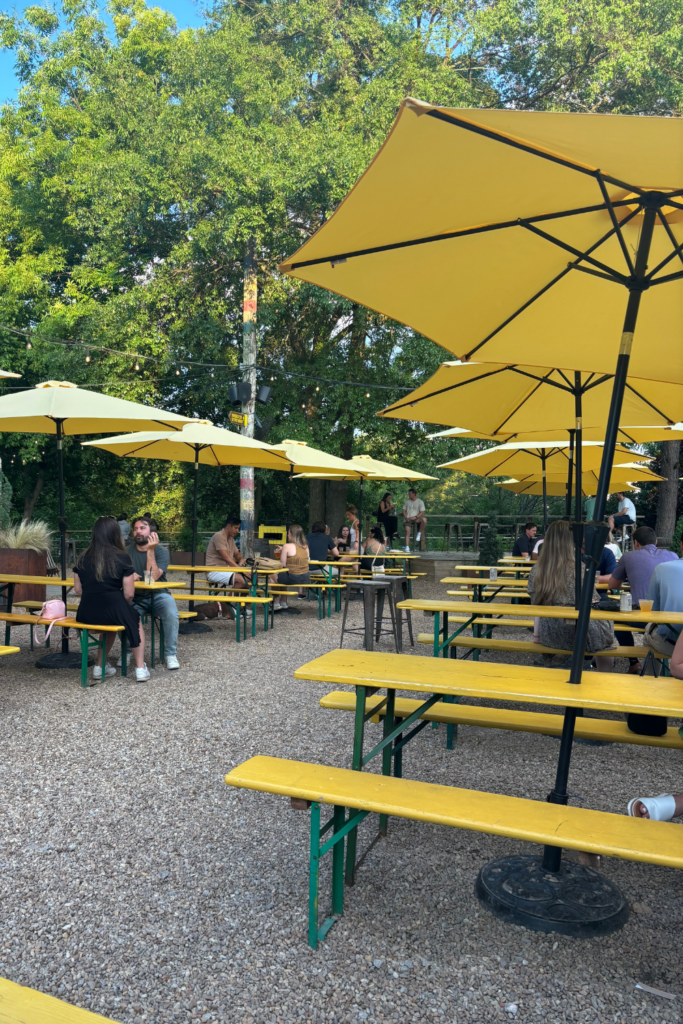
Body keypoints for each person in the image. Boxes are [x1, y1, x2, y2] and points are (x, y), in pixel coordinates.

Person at [527, 520, 616, 669]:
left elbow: (535, 602)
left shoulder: (536, 570)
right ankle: (605, 675)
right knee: (607, 632)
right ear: (570, 541)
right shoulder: (578, 569)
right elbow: (593, 601)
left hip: (549, 632)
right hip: (577, 633)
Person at [73, 516, 149, 682]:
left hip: (86, 612)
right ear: (115, 534)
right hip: (112, 608)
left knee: (110, 622)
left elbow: (78, 589)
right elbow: (129, 594)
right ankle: (140, 668)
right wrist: (119, 607)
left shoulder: (82, 558)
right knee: (134, 619)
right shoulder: (122, 557)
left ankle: (99, 668)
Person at [602, 526, 676, 673]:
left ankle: (633, 662)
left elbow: (613, 584)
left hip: (642, 617)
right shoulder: (673, 556)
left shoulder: (629, 556)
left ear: (635, 543)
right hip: (670, 617)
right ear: (655, 542)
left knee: (615, 617)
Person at [124, 516, 180, 671]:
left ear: (152, 533)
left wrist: (150, 549)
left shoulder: (161, 552)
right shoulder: (126, 551)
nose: (138, 532)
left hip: (159, 594)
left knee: (171, 612)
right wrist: (127, 575)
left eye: (142, 528)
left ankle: (170, 654)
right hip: (134, 595)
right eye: (135, 529)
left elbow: (151, 579)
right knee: (122, 611)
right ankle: (127, 651)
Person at [642, 538, 683, 658]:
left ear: (681, 544)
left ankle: (651, 676)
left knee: (649, 631)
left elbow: (653, 610)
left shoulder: (662, 569)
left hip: (671, 643)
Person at [270, 525, 310, 611]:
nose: (287, 535)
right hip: (305, 578)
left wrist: (283, 552)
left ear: (292, 535)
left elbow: (282, 565)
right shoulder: (305, 546)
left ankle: (276, 602)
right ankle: (283, 602)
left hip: (293, 578)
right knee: (283, 576)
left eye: (288, 533)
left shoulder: (287, 546)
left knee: (272, 575)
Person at [402, 488, 426, 552]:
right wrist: (406, 518)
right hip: (408, 518)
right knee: (407, 532)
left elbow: (422, 512)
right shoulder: (407, 501)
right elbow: (404, 510)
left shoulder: (420, 501)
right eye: (408, 493)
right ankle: (407, 547)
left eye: (410, 493)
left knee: (424, 520)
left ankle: (419, 533)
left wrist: (415, 517)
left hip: (416, 518)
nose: (408, 495)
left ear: (414, 494)